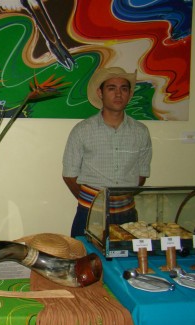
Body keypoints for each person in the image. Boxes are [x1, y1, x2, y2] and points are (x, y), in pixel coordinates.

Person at [62, 67, 152, 237]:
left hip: (127, 214)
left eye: (123, 89)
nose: (118, 94)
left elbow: (142, 173)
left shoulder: (141, 132)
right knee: (86, 259)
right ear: (100, 92)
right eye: (111, 88)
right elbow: (69, 175)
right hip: (89, 213)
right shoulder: (82, 130)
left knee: (128, 262)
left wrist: (121, 199)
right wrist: (95, 202)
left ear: (130, 94)